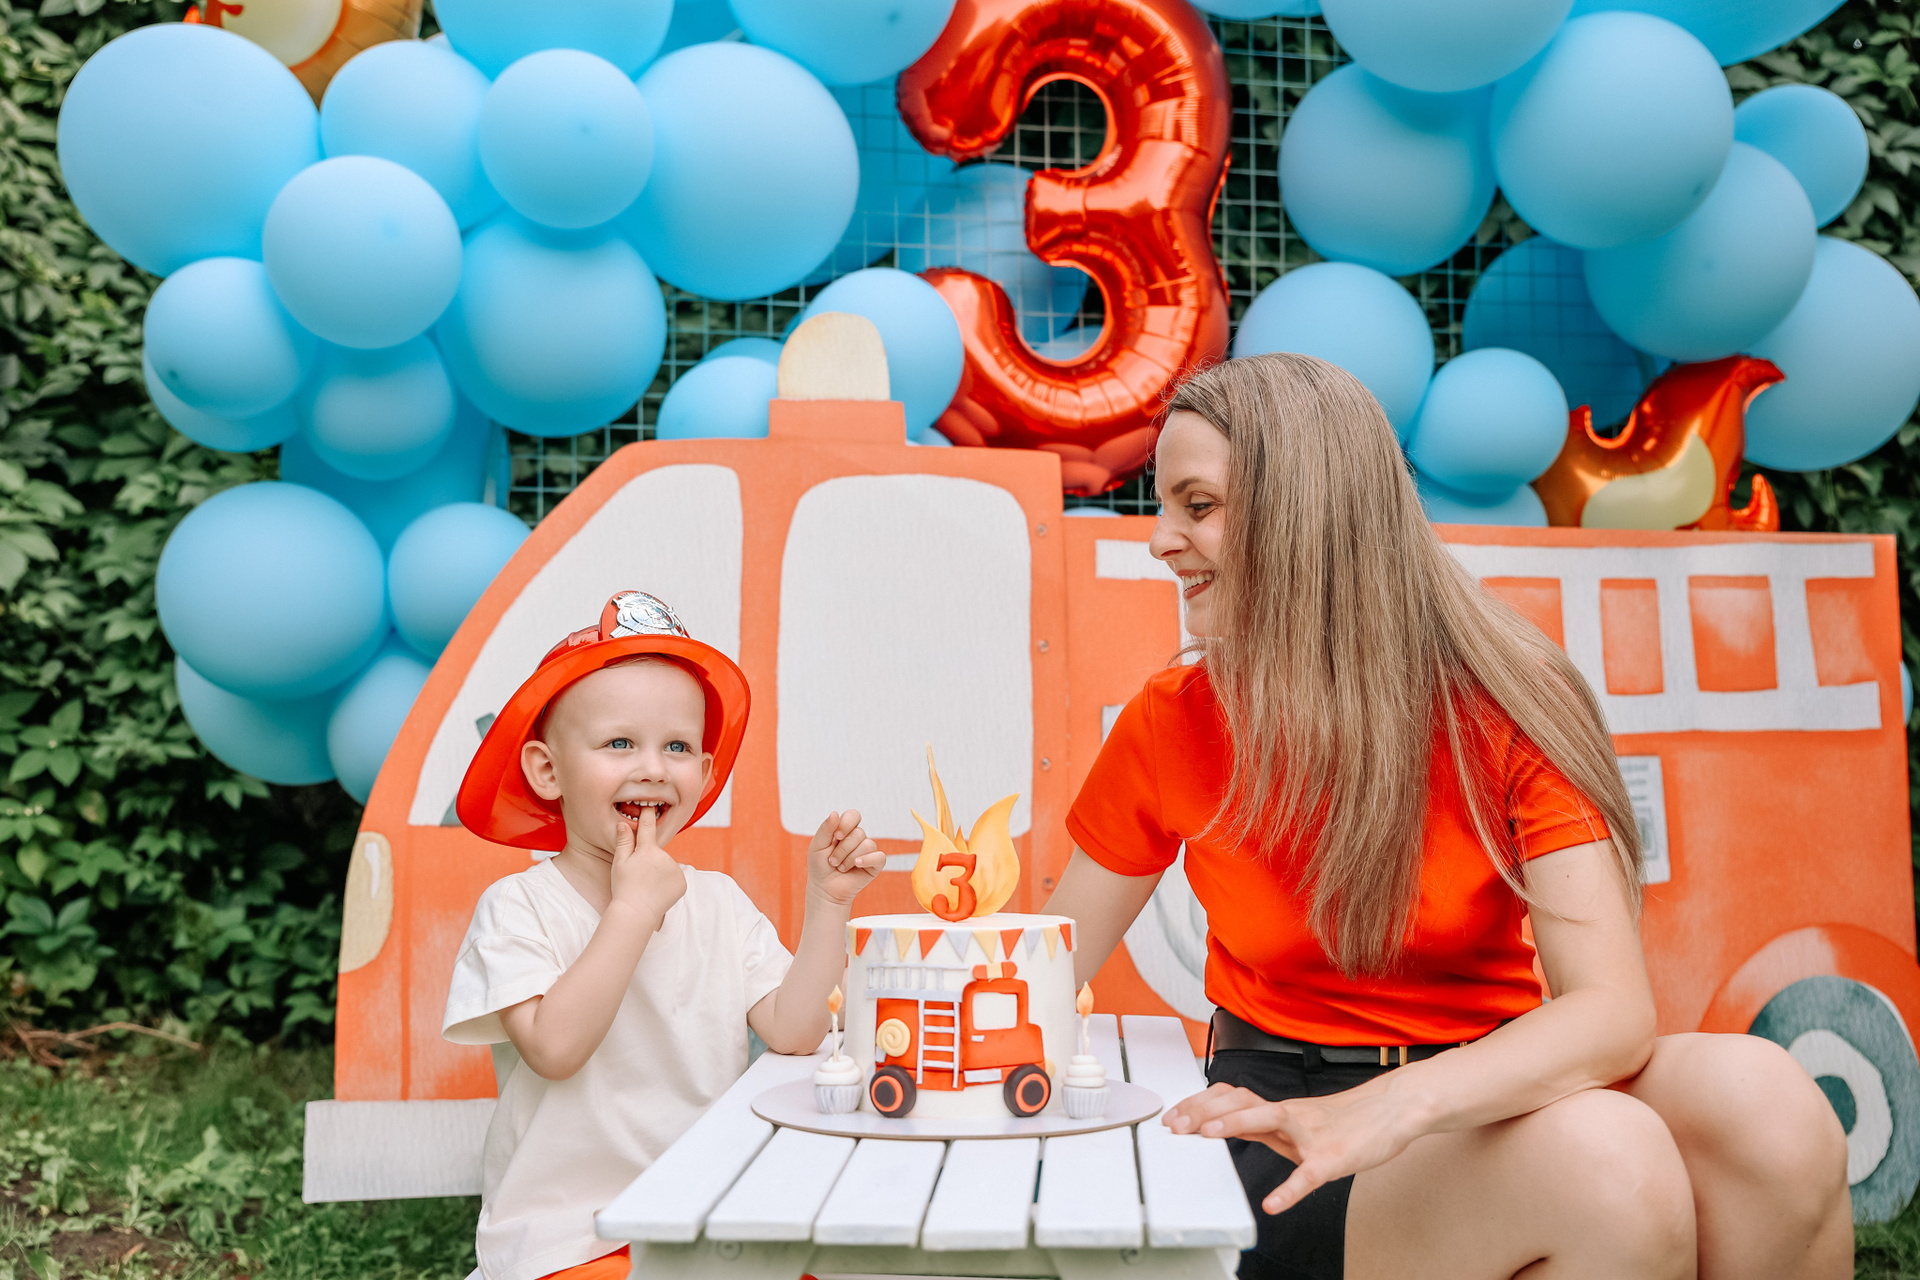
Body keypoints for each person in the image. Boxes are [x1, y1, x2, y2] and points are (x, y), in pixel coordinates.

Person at [1049, 354, 1851, 1280]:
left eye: (1198, 505)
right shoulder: (1173, 719)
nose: (1161, 540)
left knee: (1769, 1105)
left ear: (1308, 512)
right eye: (1165, 507)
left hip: (1491, 1088)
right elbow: (1041, 970)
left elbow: (1611, 1012)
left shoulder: (1511, 698)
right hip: (1285, 1119)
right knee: (1607, 1162)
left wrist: (1396, 1105)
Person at [443, 590, 884, 1280]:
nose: (652, 767)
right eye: (619, 743)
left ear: (702, 776)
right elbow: (555, 1049)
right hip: (569, 1237)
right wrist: (632, 909)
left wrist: (829, 903)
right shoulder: (518, 908)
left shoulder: (718, 903)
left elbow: (797, 1031)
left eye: (677, 747)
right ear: (548, 771)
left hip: (706, 1215)